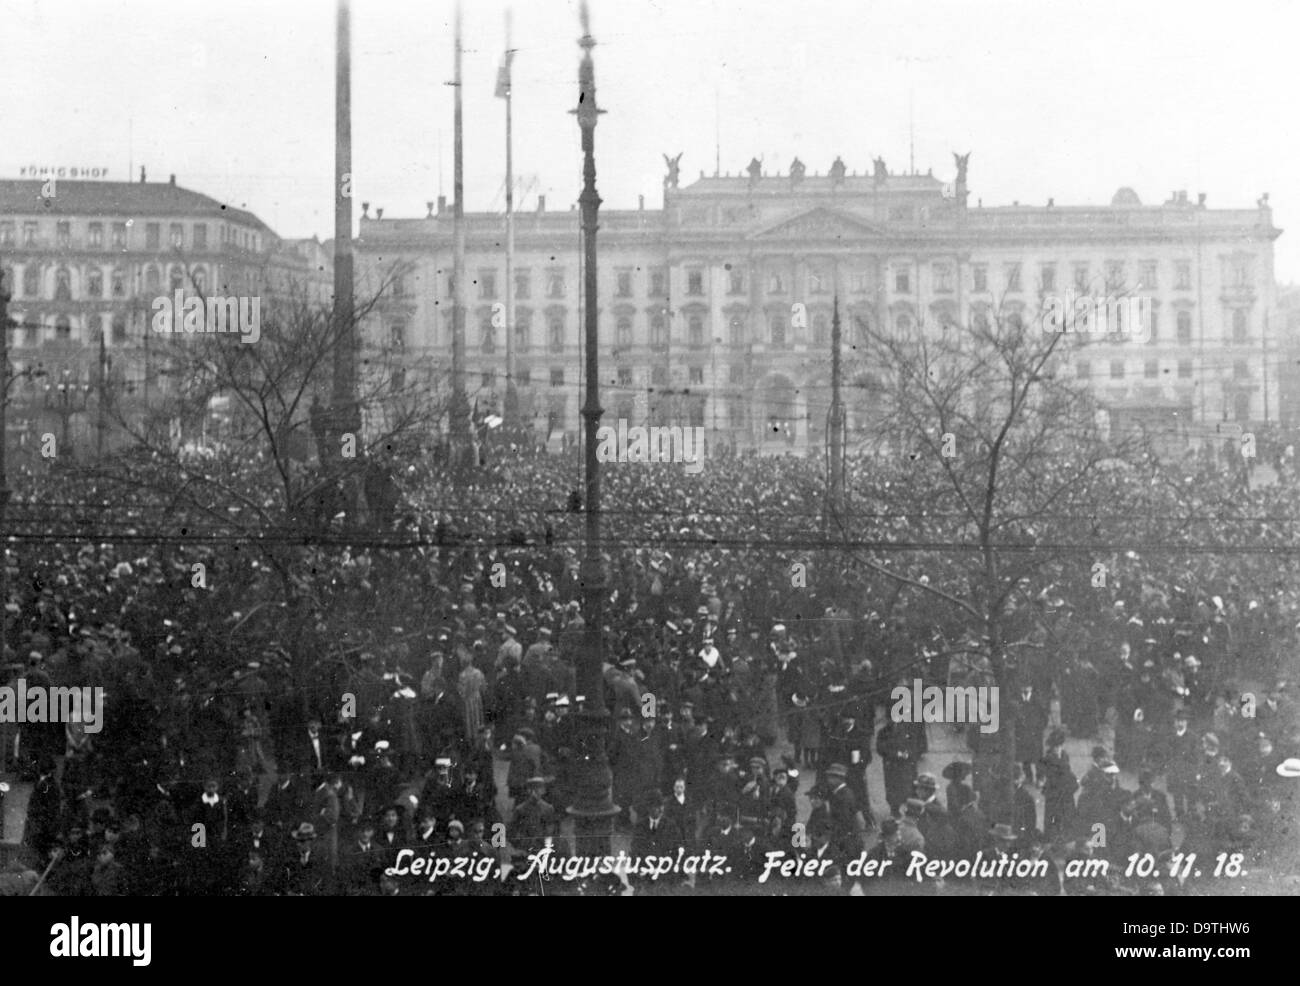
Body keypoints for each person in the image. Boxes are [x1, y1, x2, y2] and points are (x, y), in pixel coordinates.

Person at [1039, 728, 1078, 838]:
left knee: (1066, 817)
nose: (1058, 749)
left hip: (1065, 792)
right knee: (1053, 819)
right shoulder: (1047, 758)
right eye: (1055, 746)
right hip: (1054, 792)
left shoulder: (1064, 755)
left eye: (1060, 745)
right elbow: (1047, 775)